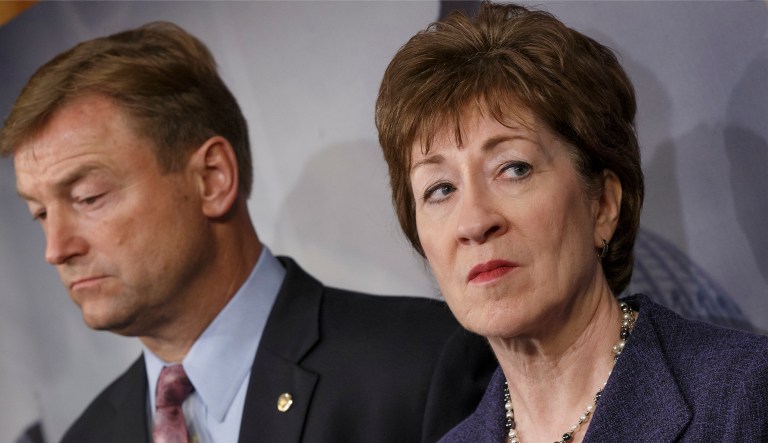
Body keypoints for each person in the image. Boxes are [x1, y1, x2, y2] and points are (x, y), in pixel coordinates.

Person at [0, 22, 495, 443]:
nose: (56, 249)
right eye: (40, 213)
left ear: (212, 179)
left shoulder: (419, 366)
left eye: (88, 198)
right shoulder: (85, 438)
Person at [375, 2, 768, 442]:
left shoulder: (745, 396)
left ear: (602, 205)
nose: (473, 222)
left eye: (514, 168)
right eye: (441, 189)